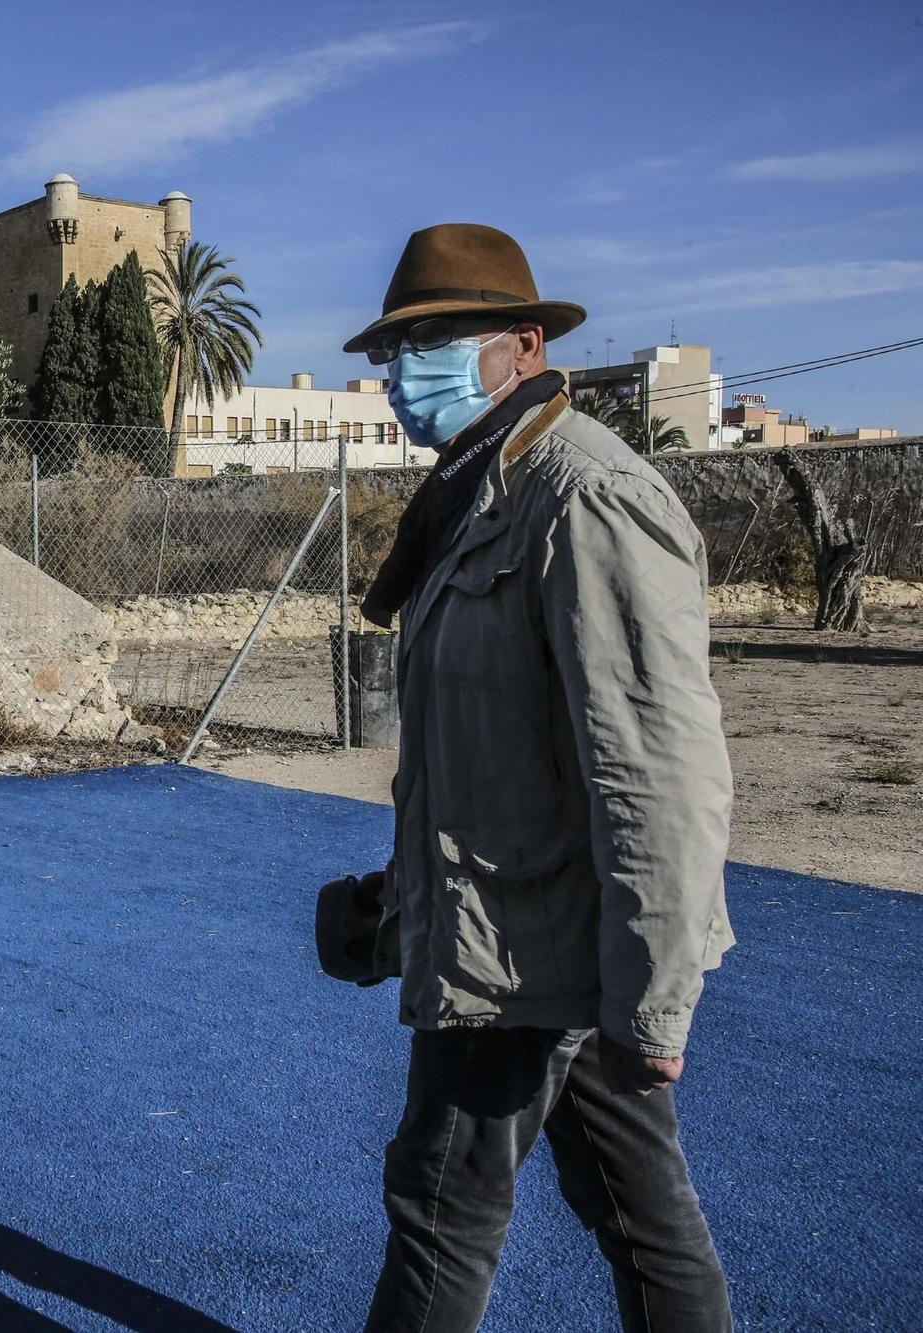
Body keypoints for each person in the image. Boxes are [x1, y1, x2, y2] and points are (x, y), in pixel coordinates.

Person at [335, 223, 736, 1332]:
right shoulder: (477, 492)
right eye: (391, 352)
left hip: (521, 961)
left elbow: (656, 770)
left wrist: (653, 1000)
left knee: (438, 1211)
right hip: (519, 932)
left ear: (522, 344)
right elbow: (489, 755)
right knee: (636, 1213)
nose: (402, 373)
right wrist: (395, 901)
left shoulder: (581, 495)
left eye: (432, 340)